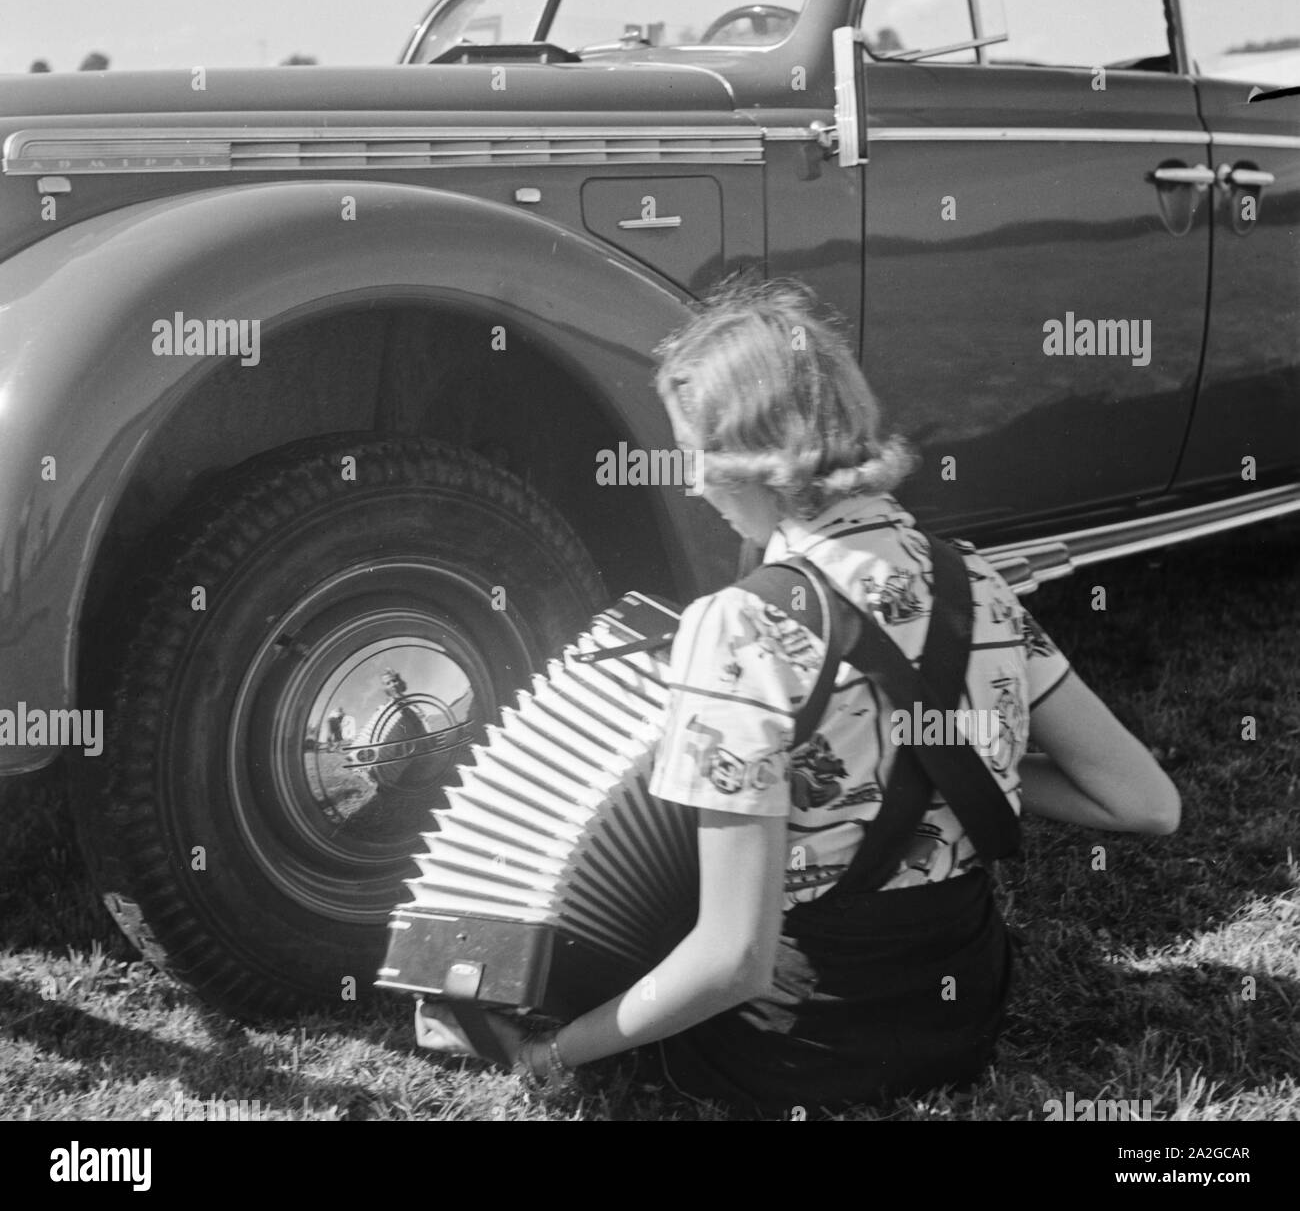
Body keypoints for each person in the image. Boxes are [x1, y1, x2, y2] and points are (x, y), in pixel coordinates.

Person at [416, 277, 1181, 1116]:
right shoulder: (983, 583)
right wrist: (960, 756)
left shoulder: (736, 627)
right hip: (962, 1019)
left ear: (752, 456)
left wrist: (553, 1051)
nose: (694, 486)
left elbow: (732, 961)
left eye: (695, 455)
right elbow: (1145, 802)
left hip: (797, 1054)